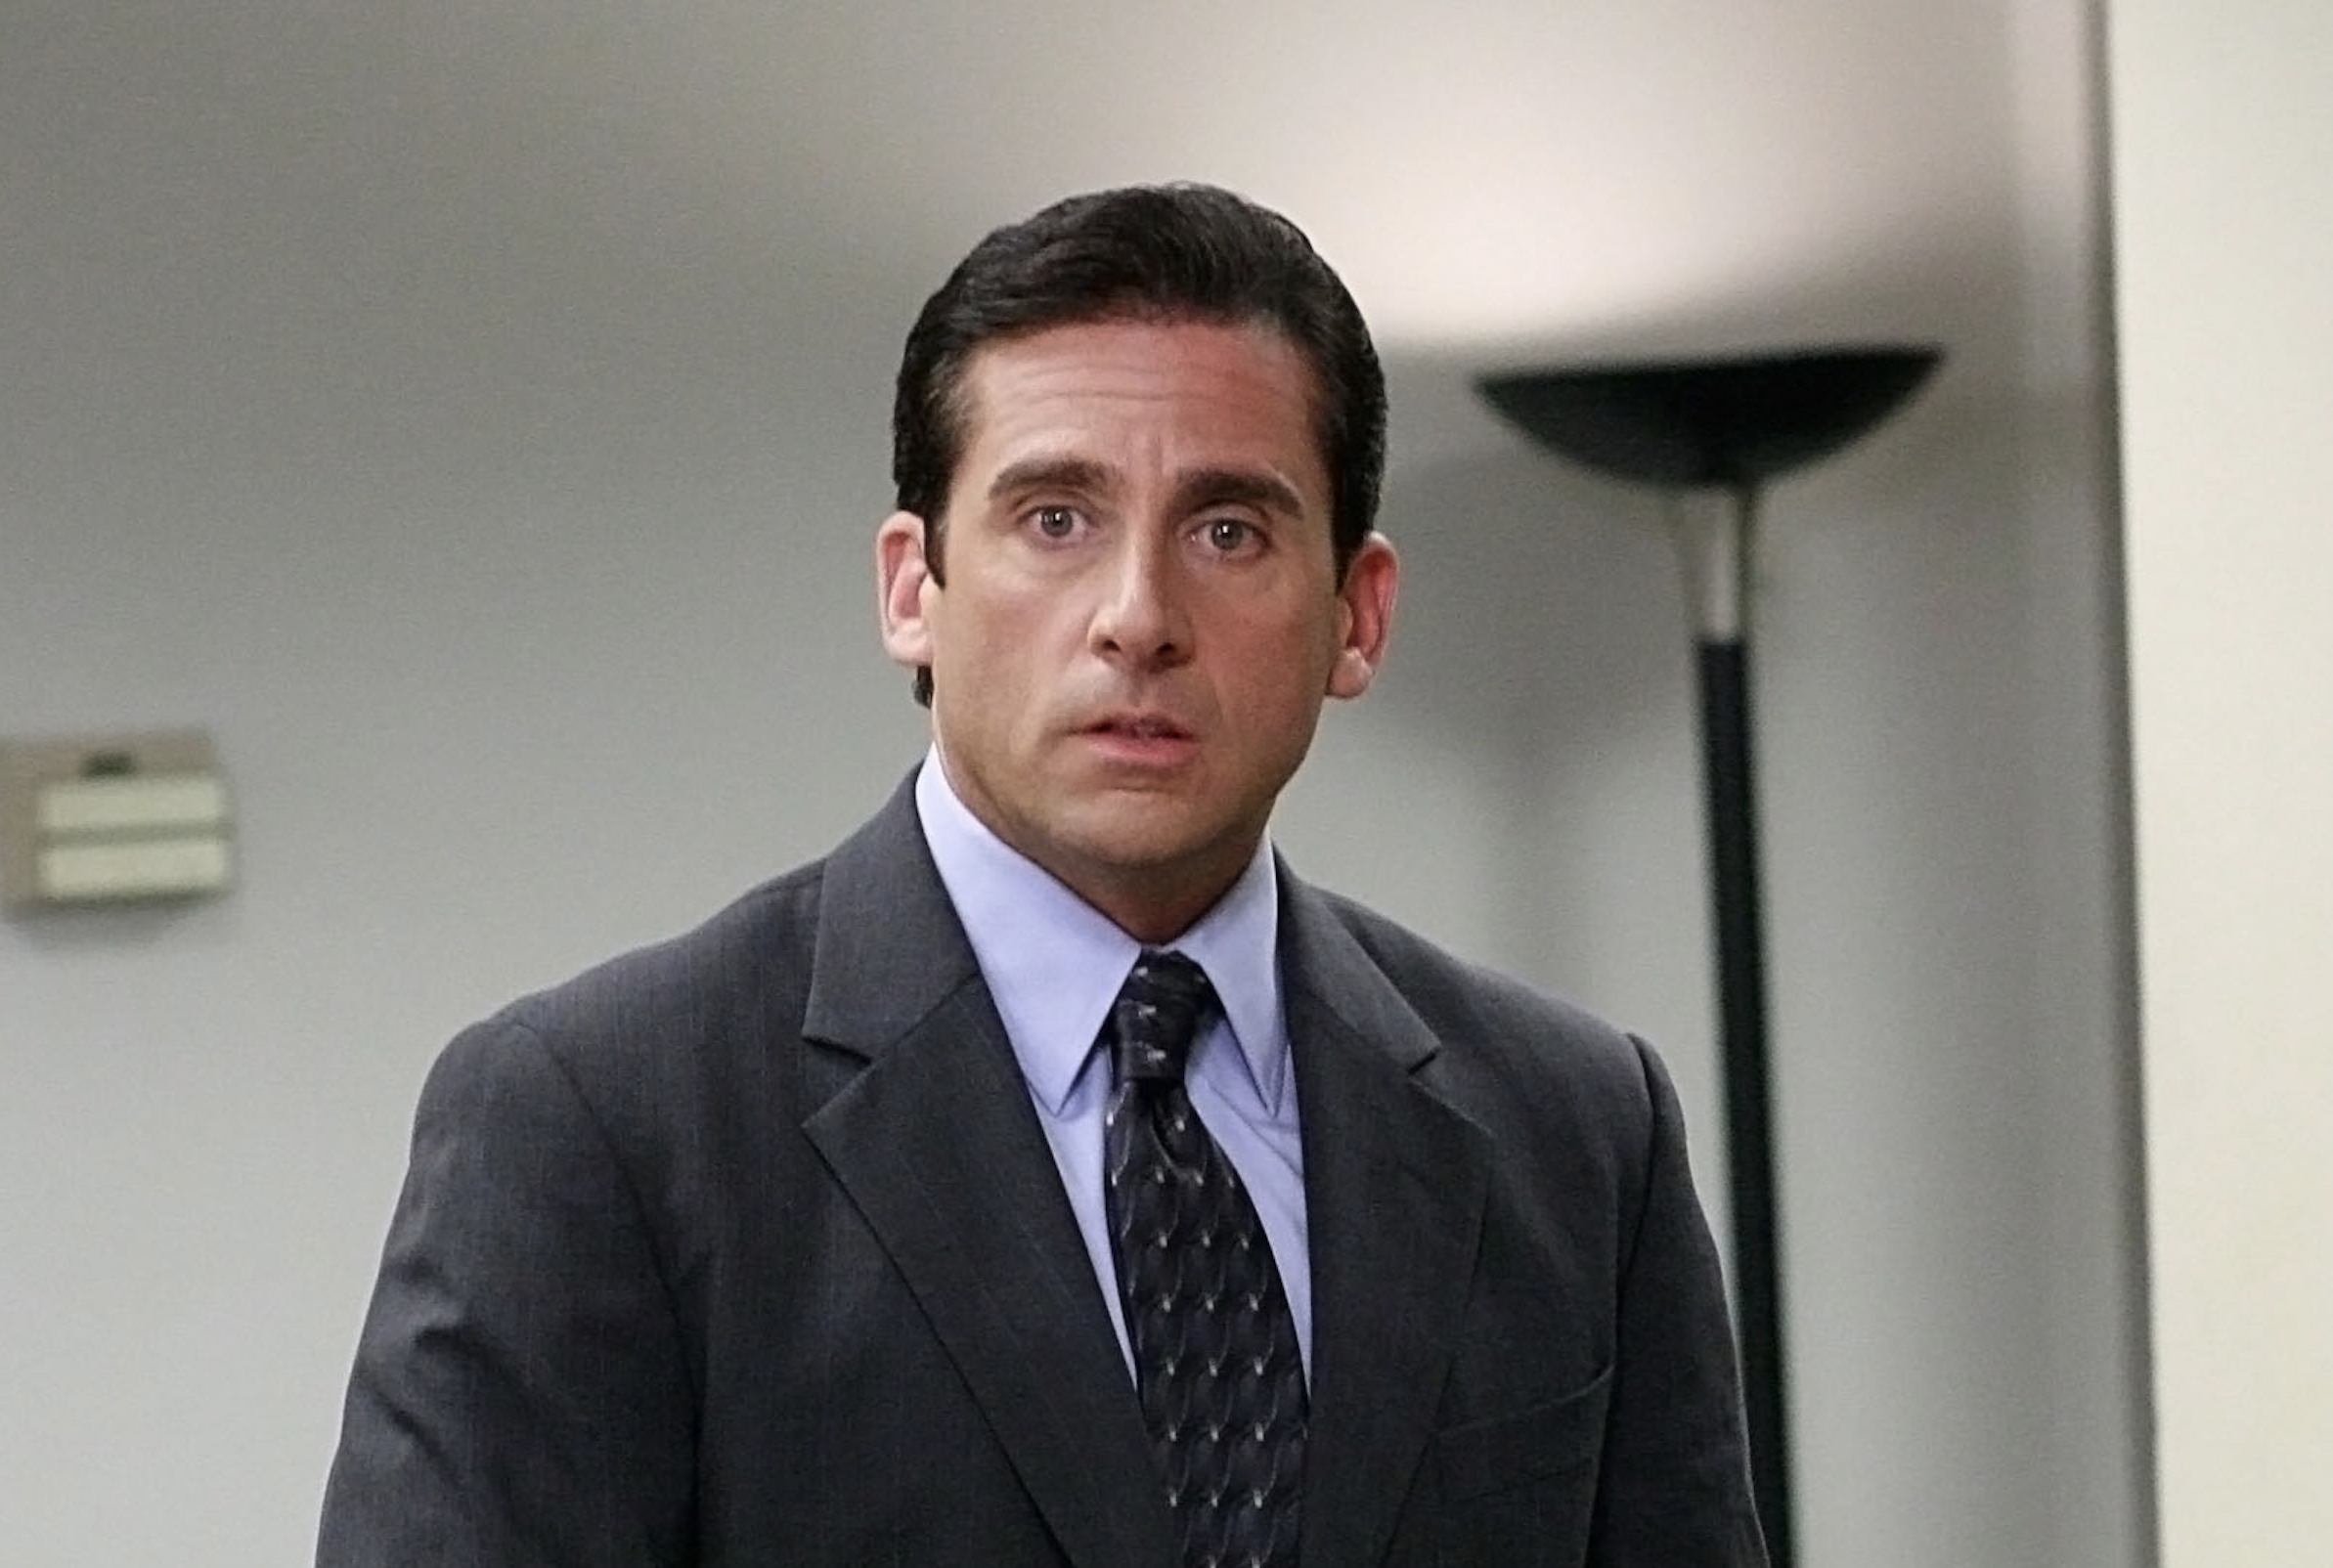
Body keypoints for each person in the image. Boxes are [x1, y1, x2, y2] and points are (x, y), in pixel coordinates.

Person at [317, 183, 1766, 1568]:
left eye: (1228, 530)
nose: (1138, 616)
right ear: (912, 591)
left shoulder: (1578, 1131)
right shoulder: (600, 1123)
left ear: (1356, 616)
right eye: (1055, 519)